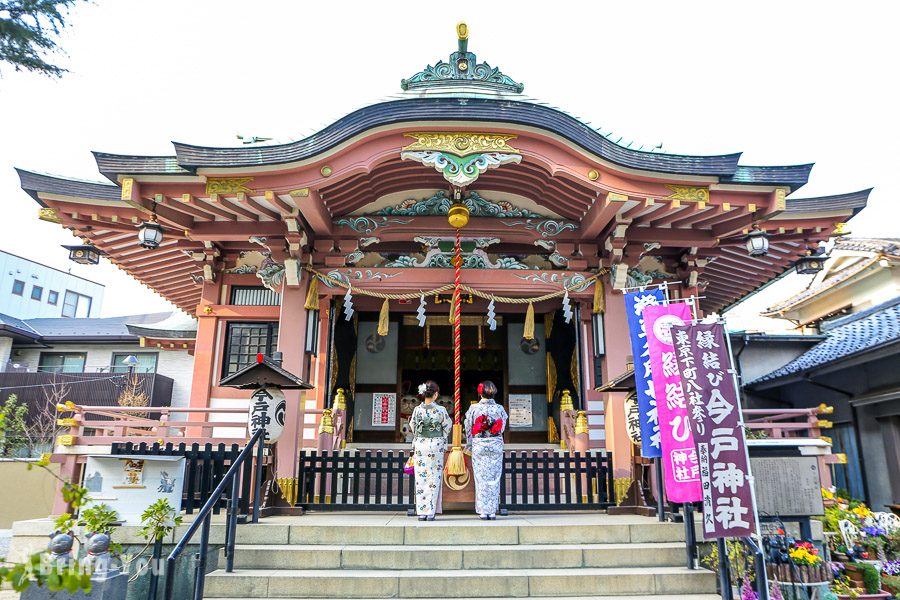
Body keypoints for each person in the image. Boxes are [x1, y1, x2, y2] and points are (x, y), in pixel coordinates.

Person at [464, 380, 508, 520]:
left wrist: (469, 443)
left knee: (481, 477)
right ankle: (492, 510)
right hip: (495, 443)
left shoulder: (474, 409)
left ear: (480, 392)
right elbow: (501, 428)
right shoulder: (500, 409)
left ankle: (483, 510)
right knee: (494, 478)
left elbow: (468, 427)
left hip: (480, 444)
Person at [410, 380, 452, 521]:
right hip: (436, 446)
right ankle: (431, 511)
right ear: (435, 395)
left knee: (421, 478)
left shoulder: (417, 410)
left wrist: (420, 436)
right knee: (434, 477)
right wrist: (442, 437)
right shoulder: (441, 410)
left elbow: (413, 426)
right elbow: (447, 426)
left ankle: (422, 512)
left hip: (421, 445)